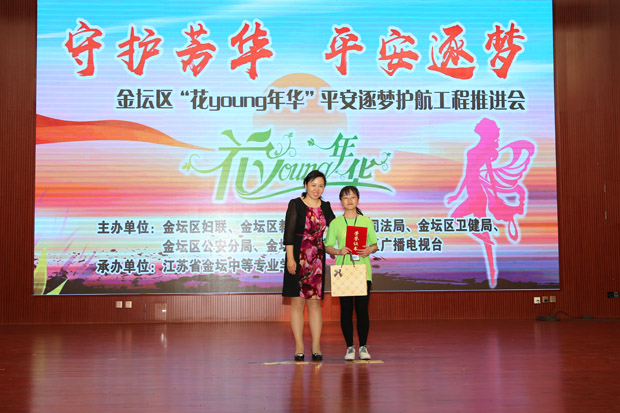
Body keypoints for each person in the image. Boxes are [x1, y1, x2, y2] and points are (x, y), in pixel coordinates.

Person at [282, 170, 335, 361]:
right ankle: (299, 347)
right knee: (297, 303)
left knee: (315, 304)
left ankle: (316, 346)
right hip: (298, 257)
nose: (317, 189)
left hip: (317, 260)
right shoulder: (295, 204)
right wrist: (290, 259)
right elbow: (289, 234)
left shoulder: (326, 206)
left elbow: (336, 229)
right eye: (313, 185)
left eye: (321, 186)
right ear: (306, 185)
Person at [325, 186, 378, 361]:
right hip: (344, 271)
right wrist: (339, 251)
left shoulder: (366, 222)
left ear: (358, 200)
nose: (349, 200)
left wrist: (369, 249)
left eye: (353, 197)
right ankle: (349, 347)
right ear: (341, 201)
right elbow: (328, 246)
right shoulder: (335, 223)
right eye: (345, 197)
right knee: (346, 310)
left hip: (362, 271)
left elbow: (374, 245)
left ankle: (363, 346)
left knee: (362, 310)